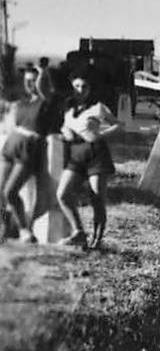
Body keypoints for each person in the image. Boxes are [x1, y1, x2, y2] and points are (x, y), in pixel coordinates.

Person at [58, 74, 120, 248]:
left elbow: (118, 125)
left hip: (96, 154)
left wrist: (100, 134)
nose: (80, 90)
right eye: (76, 86)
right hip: (76, 154)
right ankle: (78, 233)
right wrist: (65, 133)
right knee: (63, 194)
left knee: (97, 198)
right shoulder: (68, 108)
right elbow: (65, 127)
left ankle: (97, 240)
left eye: (84, 86)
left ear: (90, 89)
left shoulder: (98, 107)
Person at [1, 66, 47, 242]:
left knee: (10, 191)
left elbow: (44, 92)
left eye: (33, 80)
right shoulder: (20, 103)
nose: (30, 84)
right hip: (10, 146)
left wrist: (42, 74)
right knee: (0, 192)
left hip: (28, 149)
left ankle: (24, 230)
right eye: (27, 81)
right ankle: (7, 228)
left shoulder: (44, 102)